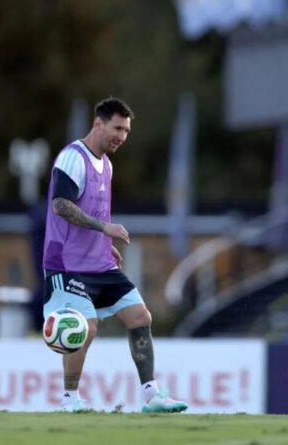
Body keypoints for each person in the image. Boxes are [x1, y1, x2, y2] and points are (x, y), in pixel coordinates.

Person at [42, 97, 187, 414]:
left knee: (140, 318)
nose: (122, 136)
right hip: (68, 267)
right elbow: (60, 205)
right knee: (87, 326)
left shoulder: (106, 165)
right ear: (98, 123)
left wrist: (103, 244)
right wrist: (104, 228)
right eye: (117, 128)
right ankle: (69, 400)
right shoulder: (72, 158)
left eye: (126, 130)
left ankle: (152, 396)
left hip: (100, 264)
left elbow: (91, 210)